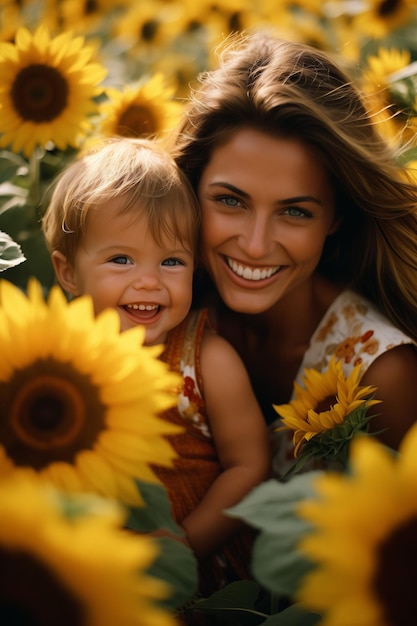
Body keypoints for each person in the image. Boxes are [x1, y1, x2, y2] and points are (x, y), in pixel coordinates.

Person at [171, 29, 417, 463]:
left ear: (337, 216)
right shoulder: (156, 307)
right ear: (190, 187)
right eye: (230, 200)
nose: (254, 244)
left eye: (295, 211)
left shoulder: (379, 376)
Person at [41, 137, 271, 597]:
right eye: (121, 259)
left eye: (171, 261)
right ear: (68, 273)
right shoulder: (57, 362)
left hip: (201, 569)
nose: (148, 280)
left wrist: (185, 543)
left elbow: (249, 466)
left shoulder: (204, 359)